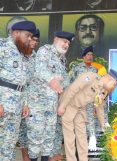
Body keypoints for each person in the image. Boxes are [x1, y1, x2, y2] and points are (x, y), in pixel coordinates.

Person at [25, 31, 74, 161]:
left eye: (68, 43)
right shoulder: (45, 50)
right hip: (37, 104)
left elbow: (64, 81)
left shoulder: (62, 59)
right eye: (64, 41)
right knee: (36, 136)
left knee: (49, 138)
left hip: (52, 105)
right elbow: (40, 69)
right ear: (56, 39)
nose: (66, 45)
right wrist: (52, 80)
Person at [57, 69, 117, 161]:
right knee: (70, 138)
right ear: (111, 79)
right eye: (115, 84)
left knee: (82, 138)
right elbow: (72, 89)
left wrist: (104, 125)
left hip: (80, 109)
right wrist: (62, 106)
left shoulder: (104, 91)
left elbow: (99, 107)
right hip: (69, 105)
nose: (114, 87)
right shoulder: (90, 77)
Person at [0, 20, 36, 161]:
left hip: (17, 105)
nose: (29, 39)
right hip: (4, 103)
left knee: (9, 143)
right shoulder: (2, 46)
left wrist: (25, 103)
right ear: (15, 33)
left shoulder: (20, 51)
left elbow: (23, 81)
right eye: (27, 35)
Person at [69, 46, 103, 153]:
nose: (90, 57)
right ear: (83, 56)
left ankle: (92, 138)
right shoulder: (77, 68)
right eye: (88, 55)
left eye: (91, 55)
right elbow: (71, 83)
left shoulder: (94, 69)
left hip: (90, 98)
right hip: (78, 99)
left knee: (90, 118)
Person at [18, 29, 40, 161]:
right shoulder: (17, 55)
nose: (34, 42)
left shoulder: (38, 58)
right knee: (21, 131)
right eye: (32, 39)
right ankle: (25, 157)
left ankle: (32, 157)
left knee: (34, 131)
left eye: (37, 40)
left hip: (35, 101)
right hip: (19, 98)